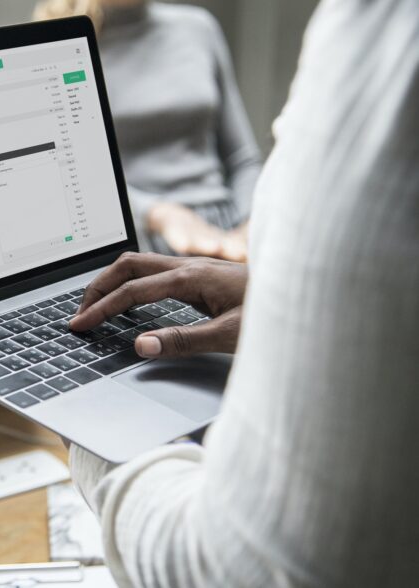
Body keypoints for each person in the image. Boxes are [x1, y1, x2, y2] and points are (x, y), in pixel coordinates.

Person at [66, 0, 418, 585]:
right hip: (160, 240)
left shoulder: (383, 37)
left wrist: (88, 431)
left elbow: (241, 569)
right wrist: (272, 293)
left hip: (234, 234)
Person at [34, 0, 261, 261]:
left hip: (227, 235)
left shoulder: (199, 27)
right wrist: (158, 215)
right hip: (138, 243)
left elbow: (243, 158)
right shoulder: (60, 43)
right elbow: (72, 180)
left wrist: (252, 225)